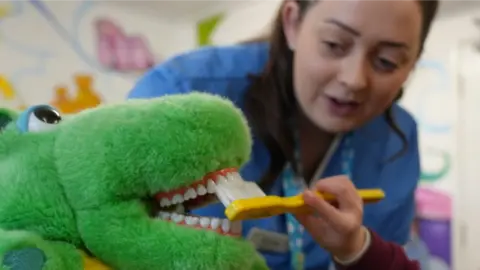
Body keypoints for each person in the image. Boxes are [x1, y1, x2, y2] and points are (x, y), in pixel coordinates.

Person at [127, 0, 439, 269]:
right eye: (334, 44)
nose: (354, 79)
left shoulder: (398, 141)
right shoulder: (181, 95)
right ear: (292, 22)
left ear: (412, 63)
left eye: (387, 62)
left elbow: (387, 255)